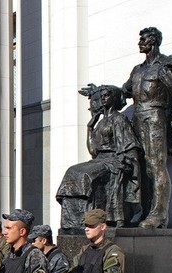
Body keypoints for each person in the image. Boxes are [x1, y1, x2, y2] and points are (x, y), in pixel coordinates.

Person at [123, 27, 172, 229]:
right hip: (137, 118)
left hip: (155, 117)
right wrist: (100, 92)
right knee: (140, 165)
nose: (140, 43)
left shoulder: (168, 66)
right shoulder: (137, 70)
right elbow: (124, 92)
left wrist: (170, 84)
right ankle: (144, 210)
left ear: (154, 41)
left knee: (156, 164)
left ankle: (160, 214)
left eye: (144, 39)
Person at [57, 84, 142, 230]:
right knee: (72, 171)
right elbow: (93, 150)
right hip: (99, 159)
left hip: (113, 159)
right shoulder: (101, 122)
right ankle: (73, 220)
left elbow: (130, 146)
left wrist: (126, 160)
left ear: (115, 98)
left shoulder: (119, 119)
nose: (103, 98)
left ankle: (88, 218)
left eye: (107, 95)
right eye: (101, 96)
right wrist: (90, 127)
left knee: (85, 175)